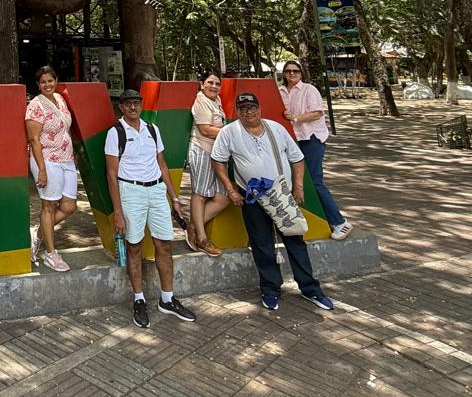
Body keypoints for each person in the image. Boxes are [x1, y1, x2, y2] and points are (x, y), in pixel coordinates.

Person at [211, 92, 334, 312]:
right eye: (244, 108)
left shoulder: (276, 128)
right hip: (253, 197)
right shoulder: (229, 132)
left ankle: (310, 288)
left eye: (252, 107)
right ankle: (270, 289)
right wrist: (231, 190)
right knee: (262, 243)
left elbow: (297, 158)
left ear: (259, 108)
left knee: (295, 240)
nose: (249, 111)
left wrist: (297, 186)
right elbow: (218, 161)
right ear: (237, 112)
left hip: (282, 195)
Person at [105, 89, 196, 326]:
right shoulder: (115, 133)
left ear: (141, 105)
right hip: (131, 191)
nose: (133, 108)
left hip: (156, 190)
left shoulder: (152, 129)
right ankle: (138, 299)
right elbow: (111, 174)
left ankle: (167, 298)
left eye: (137, 103)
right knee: (134, 246)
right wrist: (118, 211)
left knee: (164, 244)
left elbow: (162, 164)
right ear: (121, 108)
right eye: (128, 104)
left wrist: (174, 198)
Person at [280, 60, 351, 240]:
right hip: (291, 140)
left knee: (313, 180)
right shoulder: (280, 91)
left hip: (310, 138)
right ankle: (307, 219)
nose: (292, 74)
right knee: (291, 180)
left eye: (295, 71)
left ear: (301, 73)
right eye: (288, 71)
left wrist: (295, 118)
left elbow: (317, 113)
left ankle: (340, 222)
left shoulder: (309, 90)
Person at [26, 65, 77, 272]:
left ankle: (38, 233)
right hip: (47, 160)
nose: (47, 84)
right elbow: (34, 139)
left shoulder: (60, 100)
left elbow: (66, 129)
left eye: (50, 80)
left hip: (67, 160)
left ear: (56, 80)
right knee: (48, 207)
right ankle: (50, 253)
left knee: (69, 206)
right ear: (38, 84)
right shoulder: (35, 105)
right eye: (43, 81)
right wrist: (42, 170)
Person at [186, 71, 234, 257]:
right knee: (200, 194)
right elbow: (205, 130)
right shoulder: (201, 101)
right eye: (210, 82)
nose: (214, 86)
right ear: (202, 84)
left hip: (218, 154)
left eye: (217, 84)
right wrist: (231, 133)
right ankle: (203, 239)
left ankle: (193, 227)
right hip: (202, 151)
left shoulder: (217, 101)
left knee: (223, 198)